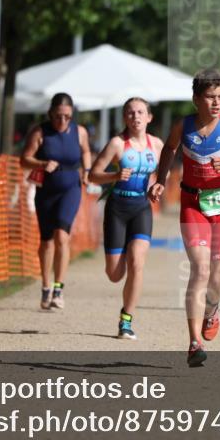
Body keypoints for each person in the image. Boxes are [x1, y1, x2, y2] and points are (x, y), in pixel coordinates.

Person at [148, 69, 220, 367]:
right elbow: (170, 149)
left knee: (216, 275)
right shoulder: (182, 126)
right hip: (193, 203)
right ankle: (194, 341)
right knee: (199, 269)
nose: (216, 103)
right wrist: (161, 179)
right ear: (196, 98)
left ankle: (212, 311)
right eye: (210, 97)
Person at [88, 98, 163, 340]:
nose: (136, 117)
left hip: (141, 207)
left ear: (149, 117)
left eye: (140, 112)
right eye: (130, 113)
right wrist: (115, 175)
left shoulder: (157, 145)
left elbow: (165, 172)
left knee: (137, 262)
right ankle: (116, 273)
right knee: (115, 274)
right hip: (117, 208)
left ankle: (126, 320)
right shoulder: (117, 144)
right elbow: (93, 175)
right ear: (124, 118)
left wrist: (158, 186)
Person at [20, 93, 92, 310]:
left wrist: (87, 170)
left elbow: (86, 151)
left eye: (67, 117)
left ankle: (58, 288)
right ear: (51, 113)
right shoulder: (40, 132)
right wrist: (41, 163)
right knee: (47, 241)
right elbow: (24, 159)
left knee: (62, 236)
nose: (63, 121)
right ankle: (45, 286)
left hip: (71, 188)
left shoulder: (79, 132)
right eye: (59, 116)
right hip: (47, 191)